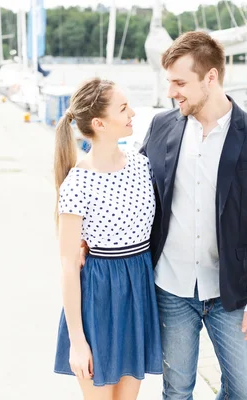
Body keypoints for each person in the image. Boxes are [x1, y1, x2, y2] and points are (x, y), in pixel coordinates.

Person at [140, 31, 247, 399]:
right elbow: (134, 189)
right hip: (171, 287)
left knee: (244, 389)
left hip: (230, 292)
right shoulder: (161, 126)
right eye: (170, 82)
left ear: (211, 77)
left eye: (180, 82)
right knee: (177, 390)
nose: (173, 91)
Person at [53, 77, 163, 400]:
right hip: (98, 299)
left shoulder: (143, 166)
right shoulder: (77, 182)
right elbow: (69, 265)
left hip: (137, 294)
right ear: (99, 123)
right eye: (123, 108)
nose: (133, 113)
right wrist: (77, 340)